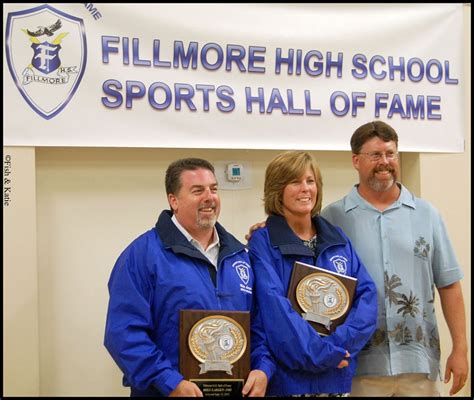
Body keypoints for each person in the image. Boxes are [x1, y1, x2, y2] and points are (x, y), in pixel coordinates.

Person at [321, 120, 469, 397]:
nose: (385, 162)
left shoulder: (427, 214)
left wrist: (460, 350)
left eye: (391, 154)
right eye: (375, 155)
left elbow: (449, 285)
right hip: (357, 368)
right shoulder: (332, 219)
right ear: (356, 161)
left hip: (418, 365)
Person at [104, 158, 274, 397]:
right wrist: (169, 382)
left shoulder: (240, 256)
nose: (209, 197)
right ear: (173, 200)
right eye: (197, 191)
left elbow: (259, 325)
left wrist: (262, 369)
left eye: (214, 189)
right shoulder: (141, 256)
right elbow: (124, 334)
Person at [247, 150, 378, 396]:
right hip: (290, 381)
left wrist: (339, 346)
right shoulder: (263, 242)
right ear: (277, 190)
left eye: (310, 181)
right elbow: (275, 312)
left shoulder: (338, 240)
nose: (305, 188)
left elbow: (367, 297)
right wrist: (325, 353)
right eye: (295, 182)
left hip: (337, 377)